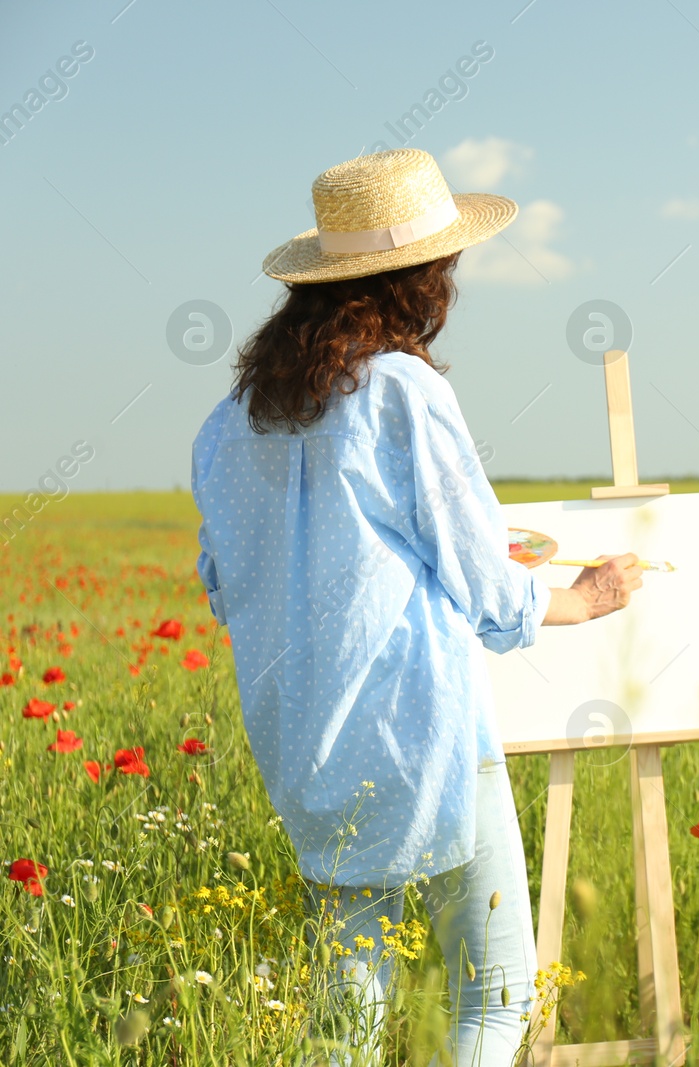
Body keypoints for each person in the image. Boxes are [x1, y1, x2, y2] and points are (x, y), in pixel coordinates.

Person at [190, 148, 642, 1066]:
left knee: (347, 1011)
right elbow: (484, 585)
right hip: (423, 735)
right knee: (497, 997)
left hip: (307, 746)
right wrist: (582, 598)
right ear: (419, 277)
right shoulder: (401, 390)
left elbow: (226, 582)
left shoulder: (228, 423)